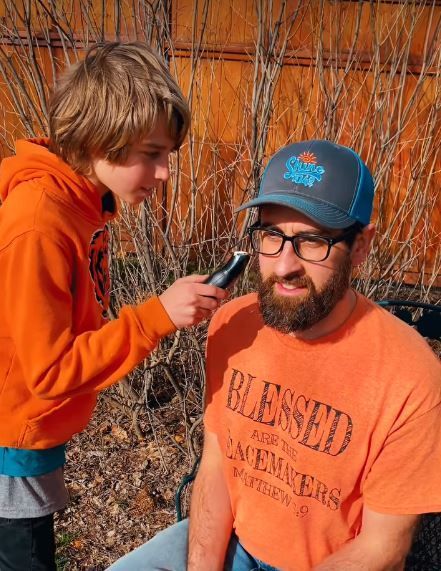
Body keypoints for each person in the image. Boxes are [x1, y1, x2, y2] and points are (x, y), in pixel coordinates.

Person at [108, 139, 441, 571]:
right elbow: (217, 466)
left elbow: (382, 548)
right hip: (235, 543)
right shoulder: (233, 324)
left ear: (359, 247)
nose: (284, 266)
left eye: (312, 241)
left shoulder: (410, 375)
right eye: (271, 235)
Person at [0, 41, 226, 570]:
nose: (165, 172)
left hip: (28, 428)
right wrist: (156, 317)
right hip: (11, 440)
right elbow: (50, 371)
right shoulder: (40, 224)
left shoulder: (82, 206)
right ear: (100, 140)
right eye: (152, 154)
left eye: (167, 154)